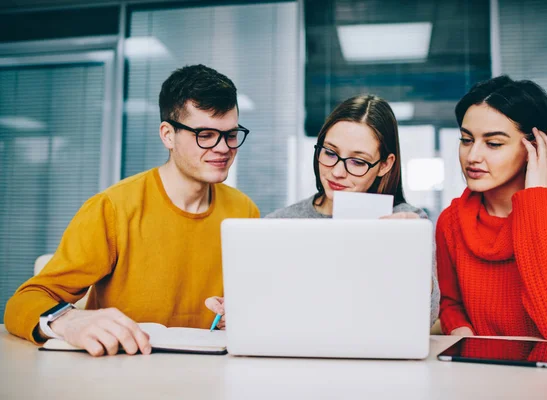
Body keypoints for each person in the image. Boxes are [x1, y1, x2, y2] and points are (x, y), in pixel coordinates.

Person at [4, 64, 259, 356]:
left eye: (230, 134)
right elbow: (23, 302)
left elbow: (253, 302)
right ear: (168, 135)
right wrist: (70, 320)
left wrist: (242, 313)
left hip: (212, 374)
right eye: (205, 134)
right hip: (119, 373)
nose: (223, 148)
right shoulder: (112, 208)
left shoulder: (244, 211)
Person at [205, 94, 440, 329]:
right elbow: (263, 311)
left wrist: (413, 257)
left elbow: (426, 319)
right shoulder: (279, 223)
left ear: (385, 165)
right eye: (329, 153)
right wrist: (235, 312)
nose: (337, 171)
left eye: (358, 162)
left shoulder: (408, 222)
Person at [436, 75, 547, 341]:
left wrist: (536, 200)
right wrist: (459, 331)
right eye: (466, 140)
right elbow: (451, 303)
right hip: (486, 373)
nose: (473, 156)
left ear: (535, 147)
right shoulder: (451, 221)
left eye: (493, 143)